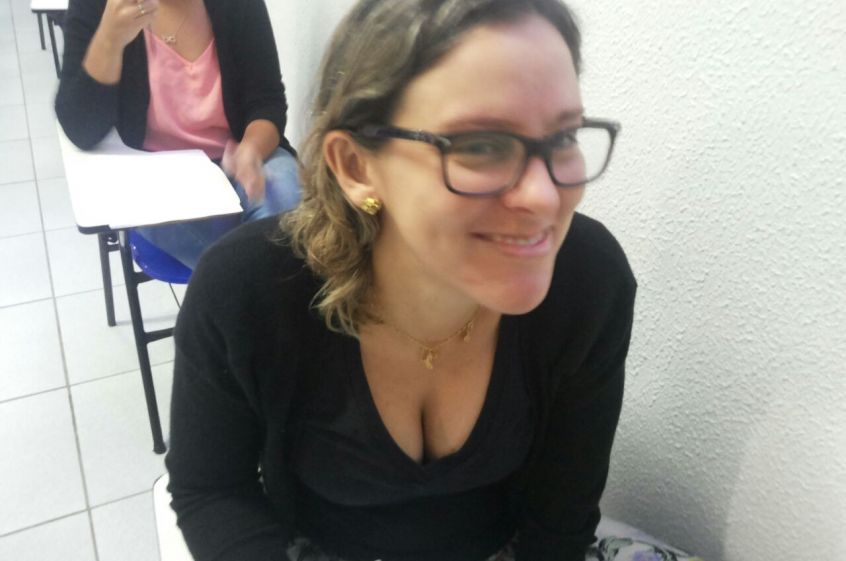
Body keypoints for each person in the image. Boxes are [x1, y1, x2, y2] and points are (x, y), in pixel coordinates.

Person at [166, 0, 636, 560]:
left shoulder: (588, 282)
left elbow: (561, 515)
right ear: (356, 166)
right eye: (481, 145)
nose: (544, 197)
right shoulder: (247, 291)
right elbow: (213, 490)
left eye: (563, 137)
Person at [55, 0, 300, 269]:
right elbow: (81, 130)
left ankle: (249, 284)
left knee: (287, 201)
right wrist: (110, 39)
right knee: (276, 256)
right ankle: (258, 283)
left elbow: (267, 101)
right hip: (154, 175)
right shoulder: (99, 5)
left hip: (240, 154)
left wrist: (252, 148)